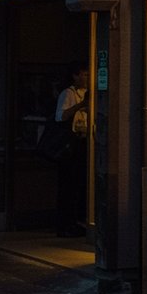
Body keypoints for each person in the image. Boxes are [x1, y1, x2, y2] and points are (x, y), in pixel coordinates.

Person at [54, 62, 89, 238]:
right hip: (72, 144)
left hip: (85, 141)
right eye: (83, 74)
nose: (87, 78)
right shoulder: (68, 93)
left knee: (81, 184)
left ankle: (78, 221)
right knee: (69, 185)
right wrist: (80, 106)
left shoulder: (87, 94)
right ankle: (65, 224)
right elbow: (60, 117)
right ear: (75, 76)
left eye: (88, 75)